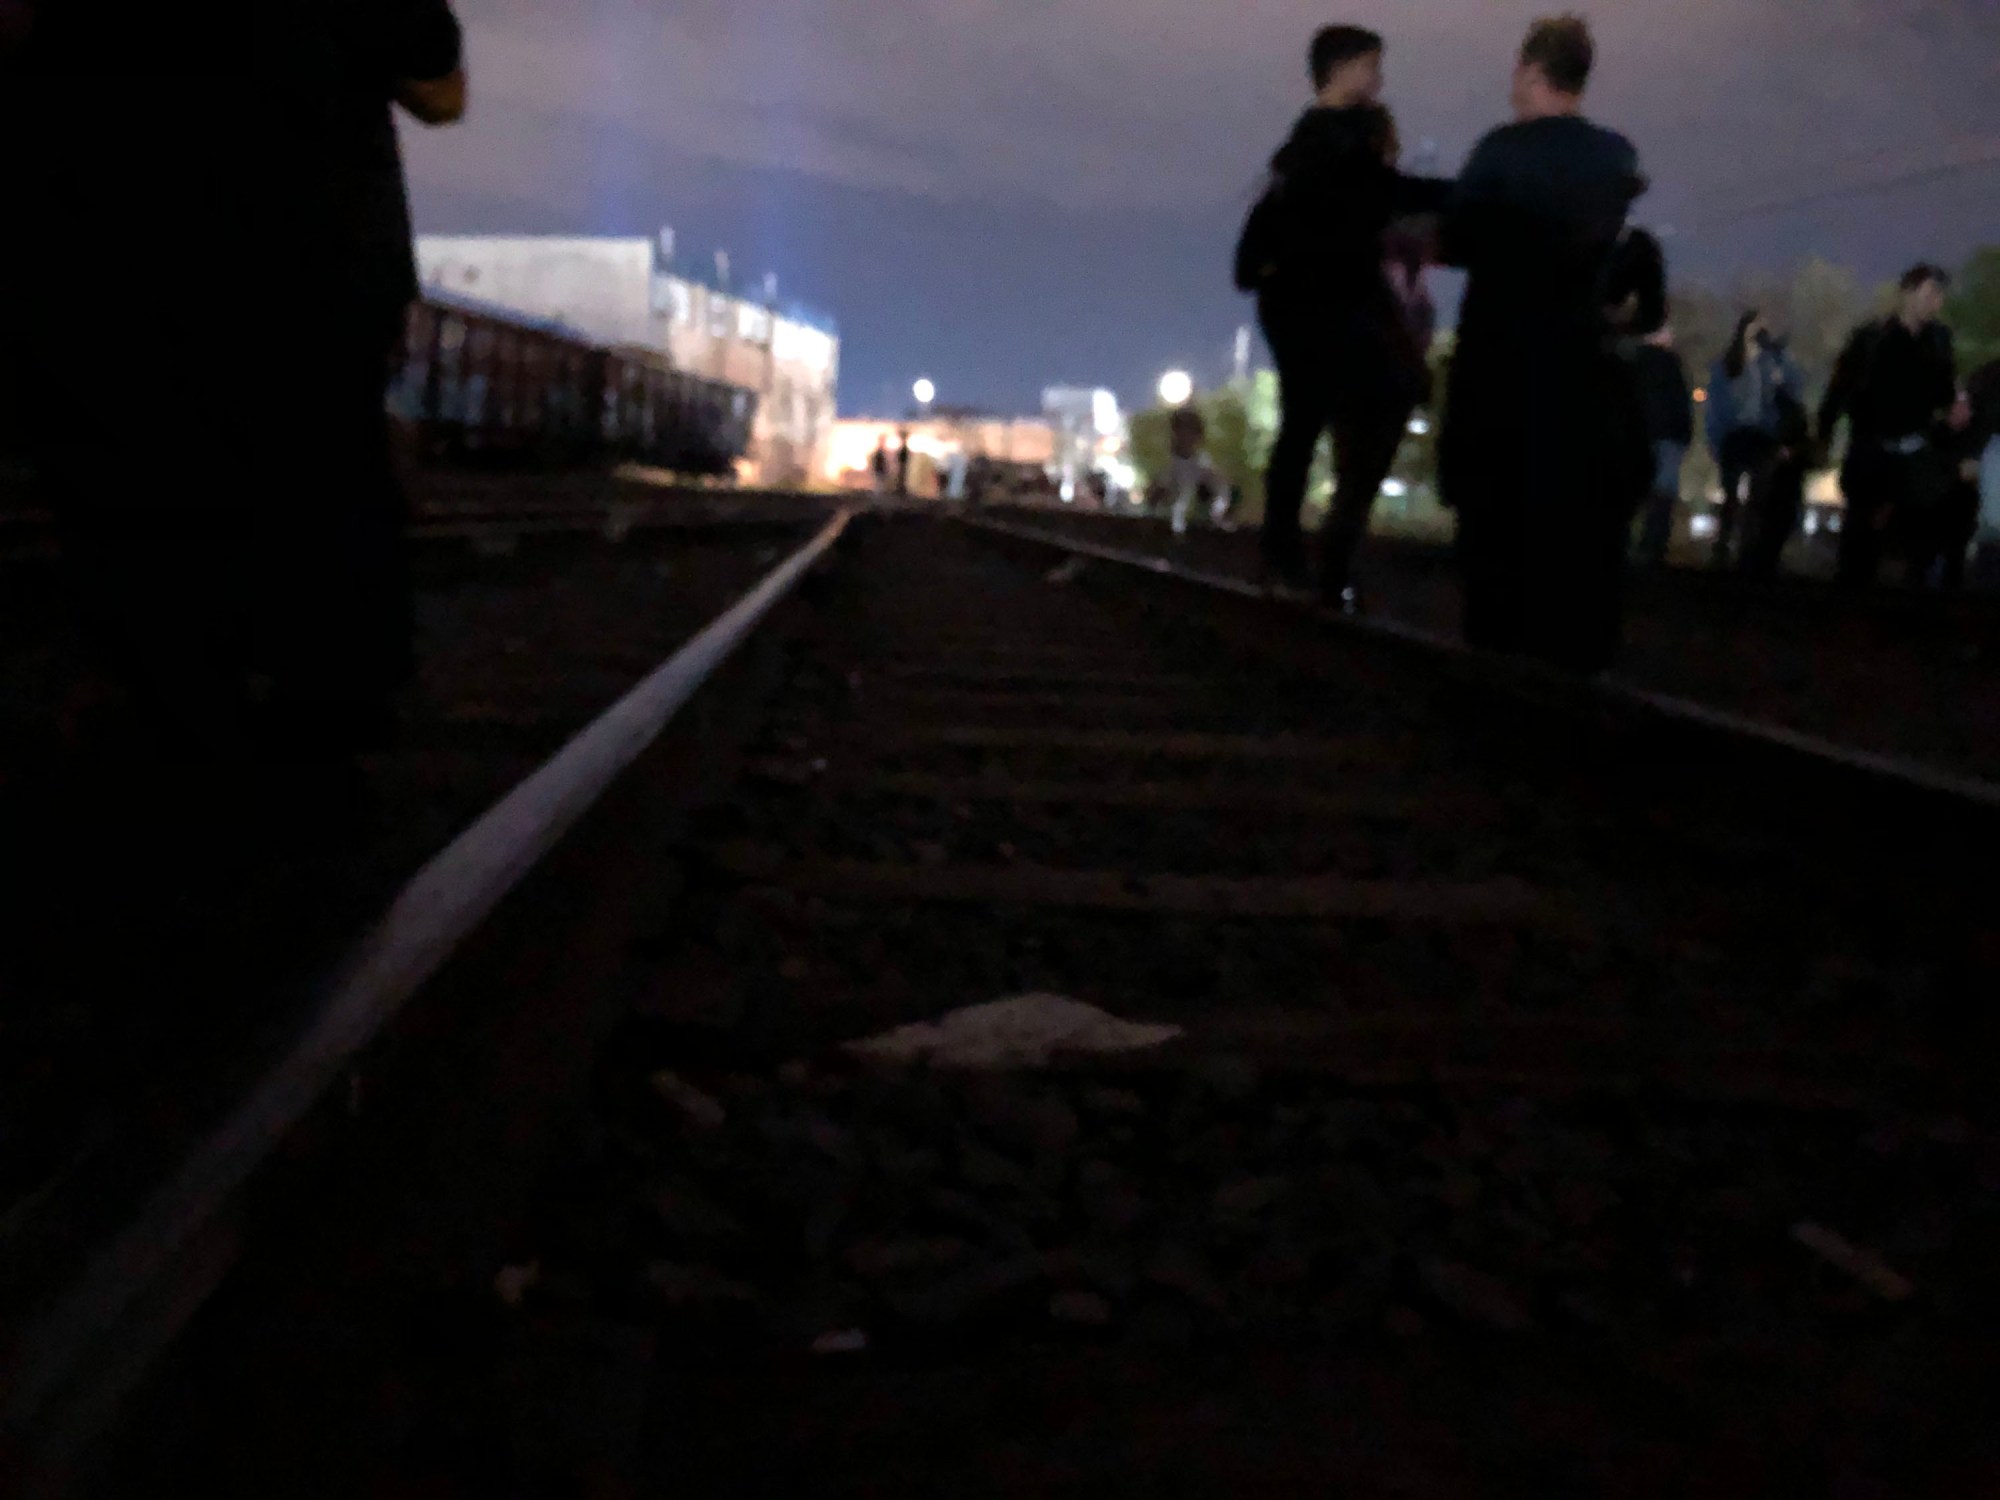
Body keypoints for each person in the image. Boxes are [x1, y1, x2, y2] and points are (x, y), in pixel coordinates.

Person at [1438, 15, 1660, 671]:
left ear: (1532, 71)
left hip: (1500, 344)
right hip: (1579, 351)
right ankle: (1573, 646)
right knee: (1572, 505)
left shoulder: (1500, 151)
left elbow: (1458, 237)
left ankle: (1495, 643)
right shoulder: (1615, 155)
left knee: (1493, 501)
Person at [1235, 24, 1450, 605]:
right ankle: (1324, 554)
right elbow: (1385, 194)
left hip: (1292, 301)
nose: (1379, 78)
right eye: (1372, 66)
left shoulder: (1297, 147)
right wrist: (1464, 194)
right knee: (1354, 415)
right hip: (1328, 300)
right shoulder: (1345, 139)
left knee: (1302, 424)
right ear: (1346, 67)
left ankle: (1289, 556)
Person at [1819, 263, 1958, 587]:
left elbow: (1944, 394)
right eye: (1929, 294)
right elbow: (1839, 390)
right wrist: (1825, 435)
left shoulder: (1937, 341)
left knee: (1917, 544)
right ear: (1909, 294)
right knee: (1860, 543)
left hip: (1915, 452)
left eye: (1938, 296)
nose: (1935, 303)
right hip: (1873, 450)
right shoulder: (1871, 339)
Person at [1704, 311, 1807, 569]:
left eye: (1763, 325)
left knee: (1758, 497)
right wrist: (1715, 441)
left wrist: (1782, 359)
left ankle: (1747, 552)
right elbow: (1715, 405)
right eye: (1755, 324)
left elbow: (1794, 389)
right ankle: (1722, 545)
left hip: (1762, 435)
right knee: (1730, 497)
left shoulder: (1771, 362)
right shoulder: (1727, 364)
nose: (1760, 329)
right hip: (1734, 435)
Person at [1629, 326, 1693, 567]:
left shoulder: (1634, 363)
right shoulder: (1669, 364)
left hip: (1645, 435)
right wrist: (1684, 434)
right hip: (1667, 437)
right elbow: (1679, 403)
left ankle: (1640, 544)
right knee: (1663, 493)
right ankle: (1655, 544)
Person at [1164, 405, 1226, 536]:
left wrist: (1215, 514)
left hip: (1194, 533)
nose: (1184, 436)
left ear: (1198, 436)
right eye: (1180, 429)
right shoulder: (1164, 464)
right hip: (1162, 532)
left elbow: (1222, 494)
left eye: (1190, 430)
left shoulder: (1204, 466)